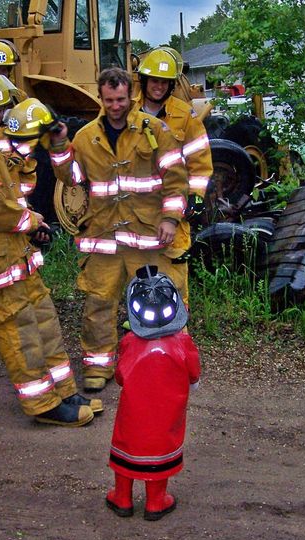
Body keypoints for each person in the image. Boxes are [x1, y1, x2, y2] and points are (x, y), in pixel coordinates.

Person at [0, 67, 101, 427]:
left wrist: (55, 138)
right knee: (21, 333)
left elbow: (17, 180)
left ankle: (65, 391)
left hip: (16, 256)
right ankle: (43, 404)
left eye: (0, 111)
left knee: (45, 321)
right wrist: (31, 221)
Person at [47, 67, 188, 392]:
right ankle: (98, 369)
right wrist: (58, 146)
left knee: (157, 302)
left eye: (121, 99)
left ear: (130, 96)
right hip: (103, 239)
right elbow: (71, 178)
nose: (115, 106)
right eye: (109, 100)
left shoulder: (154, 130)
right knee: (98, 305)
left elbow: (176, 179)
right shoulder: (85, 139)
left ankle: (162, 364)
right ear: (101, 97)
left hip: (147, 236)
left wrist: (170, 218)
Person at [106, 266, 201, 521]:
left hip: (134, 412)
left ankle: (122, 498)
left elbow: (121, 377)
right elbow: (194, 372)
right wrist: (191, 382)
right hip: (168, 412)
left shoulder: (130, 343)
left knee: (127, 446)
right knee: (161, 449)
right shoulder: (182, 343)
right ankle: (156, 502)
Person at [136, 48, 213, 305]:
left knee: (175, 265)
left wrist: (196, 196)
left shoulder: (185, 115)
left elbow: (200, 161)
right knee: (139, 268)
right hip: (136, 208)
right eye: (154, 80)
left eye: (164, 82)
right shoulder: (128, 112)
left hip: (173, 207)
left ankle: (178, 326)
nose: (158, 87)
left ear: (171, 85)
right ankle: (140, 323)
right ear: (144, 81)